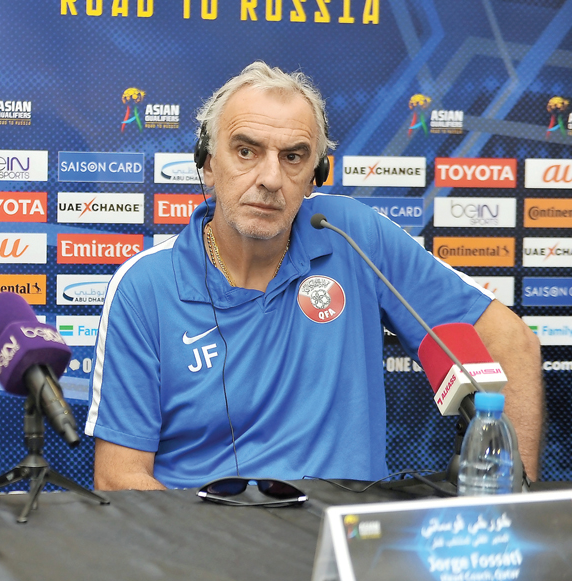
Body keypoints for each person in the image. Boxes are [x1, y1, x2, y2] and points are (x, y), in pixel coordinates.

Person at [86, 62, 542, 491]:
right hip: (207, 545)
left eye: (293, 157)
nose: (269, 177)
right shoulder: (144, 287)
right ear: (208, 162)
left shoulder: (350, 235)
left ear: (315, 174)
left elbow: (511, 343)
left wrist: (513, 507)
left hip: (343, 541)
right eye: (246, 151)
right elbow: (120, 478)